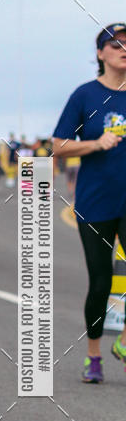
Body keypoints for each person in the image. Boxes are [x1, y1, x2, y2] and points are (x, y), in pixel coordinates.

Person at [54, 22, 126, 383]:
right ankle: (93, 355)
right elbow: (58, 145)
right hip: (95, 202)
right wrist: (96, 144)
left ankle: (124, 340)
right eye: (116, 44)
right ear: (100, 53)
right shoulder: (85, 95)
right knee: (100, 282)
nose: (123, 49)